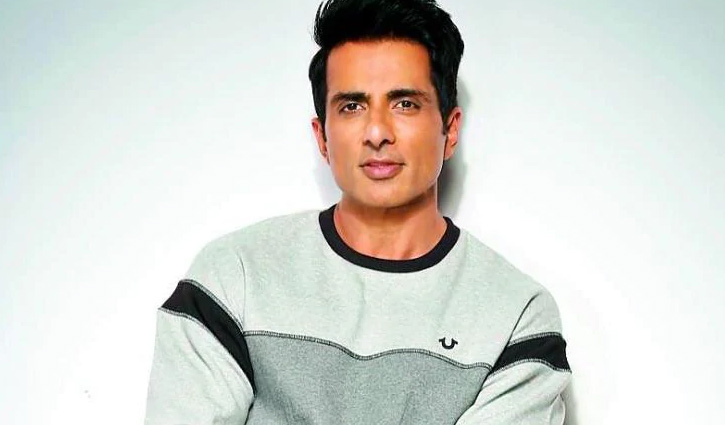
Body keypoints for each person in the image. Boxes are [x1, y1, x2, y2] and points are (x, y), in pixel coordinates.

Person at [144, 0, 571, 423]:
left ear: (450, 129)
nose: (377, 132)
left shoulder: (515, 314)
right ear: (322, 138)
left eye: (405, 103)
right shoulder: (234, 277)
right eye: (352, 106)